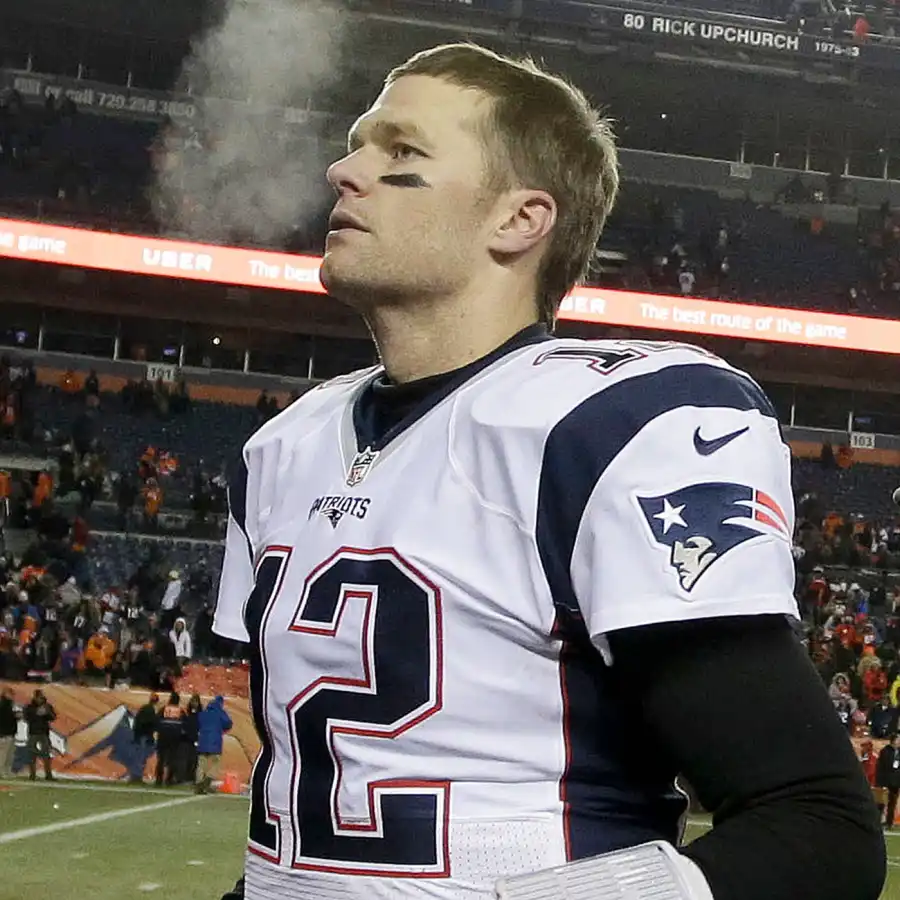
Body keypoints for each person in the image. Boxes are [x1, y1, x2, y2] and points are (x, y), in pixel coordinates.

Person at [212, 42, 884, 900]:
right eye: (358, 143)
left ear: (520, 220)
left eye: (402, 151)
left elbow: (817, 831)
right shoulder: (285, 447)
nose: (345, 169)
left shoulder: (605, 425)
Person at [196, 694, 233, 794]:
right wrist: (222, 729)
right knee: (214, 764)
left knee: (201, 763)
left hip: (202, 740)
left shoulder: (203, 712)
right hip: (215, 741)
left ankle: (199, 783)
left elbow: (198, 723)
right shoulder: (220, 713)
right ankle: (207, 781)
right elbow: (228, 723)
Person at [23, 689, 55, 781]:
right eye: (39, 697)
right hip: (33, 733)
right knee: (32, 755)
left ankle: (48, 775)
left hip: (44, 732)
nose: (40, 699)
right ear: (35, 697)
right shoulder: (29, 707)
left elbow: (53, 717)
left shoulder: (47, 706)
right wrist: (36, 713)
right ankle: (32, 775)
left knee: (46, 755)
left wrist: (47, 713)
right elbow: (26, 717)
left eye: (41, 697)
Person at [154, 691, 183, 787]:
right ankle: (169, 780)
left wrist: (159, 730)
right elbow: (184, 724)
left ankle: (158, 779)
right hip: (175, 737)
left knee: (161, 759)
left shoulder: (164, 709)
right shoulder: (180, 710)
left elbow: (157, 720)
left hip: (163, 736)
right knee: (173, 758)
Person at [130, 692, 159, 784]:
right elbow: (151, 724)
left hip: (139, 736)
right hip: (144, 736)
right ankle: (137, 777)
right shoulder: (150, 710)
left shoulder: (144, 708)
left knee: (139, 757)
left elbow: (137, 722)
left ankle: (135, 776)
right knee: (141, 757)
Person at [877, 733, 900, 829]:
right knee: (881, 803)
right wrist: (881, 782)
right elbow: (881, 767)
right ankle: (877, 821)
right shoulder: (885, 751)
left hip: (896, 782)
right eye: (898, 739)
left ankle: (889, 823)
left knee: (892, 803)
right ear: (894, 740)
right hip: (885, 781)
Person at [0, 687, 17, 777]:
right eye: (11, 694)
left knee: (10, 755)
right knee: (3, 754)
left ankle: (8, 770)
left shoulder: (9, 705)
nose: (13, 696)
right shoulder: (3, 705)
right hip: (4, 733)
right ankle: (2, 771)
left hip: (10, 733)